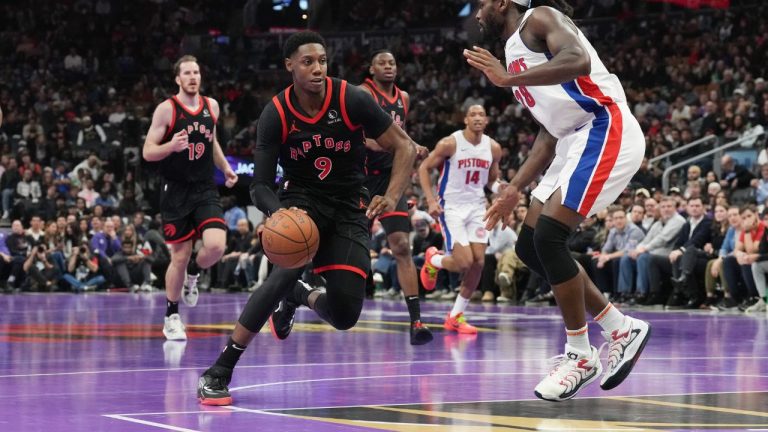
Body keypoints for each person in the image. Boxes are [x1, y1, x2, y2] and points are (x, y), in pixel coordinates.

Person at [196, 31, 416, 406]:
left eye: (322, 60)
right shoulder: (276, 113)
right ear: (289, 66)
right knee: (283, 269)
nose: (317, 68)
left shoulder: (351, 98)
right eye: (307, 62)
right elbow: (260, 185)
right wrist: (279, 213)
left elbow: (405, 147)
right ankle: (220, 368)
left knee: (345, 315)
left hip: (349, 205)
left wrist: (392, 195)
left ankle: (302, 294)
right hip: (302, 201)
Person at [466, 0, 651, 401]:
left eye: (481, 3)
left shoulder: (540, 18)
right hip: (571, 139)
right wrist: (515, 187)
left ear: (502, 2)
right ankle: (620, 327)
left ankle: (580, 354)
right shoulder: (514, 55)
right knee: (530, 247)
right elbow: (550, 133)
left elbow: (578, 59)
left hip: (603, 124)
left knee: (550, 236)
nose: (476, 13)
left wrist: (506, 80)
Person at [143, 55, 239, 341]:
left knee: (216, 245)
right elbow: (148, 151)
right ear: (177, 78)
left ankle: (195, 273)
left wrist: (225, 168)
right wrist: (171, 146)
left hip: (204, 187)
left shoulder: (212, 106)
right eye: (187, 73)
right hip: (175, 189)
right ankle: (172, 315)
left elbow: (212, 141)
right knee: (180, 255)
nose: (193, 77)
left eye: (196, 72)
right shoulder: (166, 109)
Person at [360, 49, 433, 345]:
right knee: (349, 242)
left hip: (392, 181)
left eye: (392, 62)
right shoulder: (362, 94)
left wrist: (414, 145)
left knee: (402, 245)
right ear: (371, 68)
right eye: (382, 63)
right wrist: (374, 144)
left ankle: (416, 320)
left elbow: (399, 135)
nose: (388, 66)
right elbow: (351, 134)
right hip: (361, 179)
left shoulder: (403, 98)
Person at [418, 104, 502, 334]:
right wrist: (431, 200)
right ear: (465, 120)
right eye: (473, 114)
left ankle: (455, 315)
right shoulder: (450, 143)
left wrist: (502, 188)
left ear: (486, 121)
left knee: (478, 264)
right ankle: (434, 260)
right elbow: (424, 168)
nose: (477, 118)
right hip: (451, 207)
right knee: (463, 263)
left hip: (477, 207)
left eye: (481, 115)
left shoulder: (493, 148)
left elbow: (491, 181)